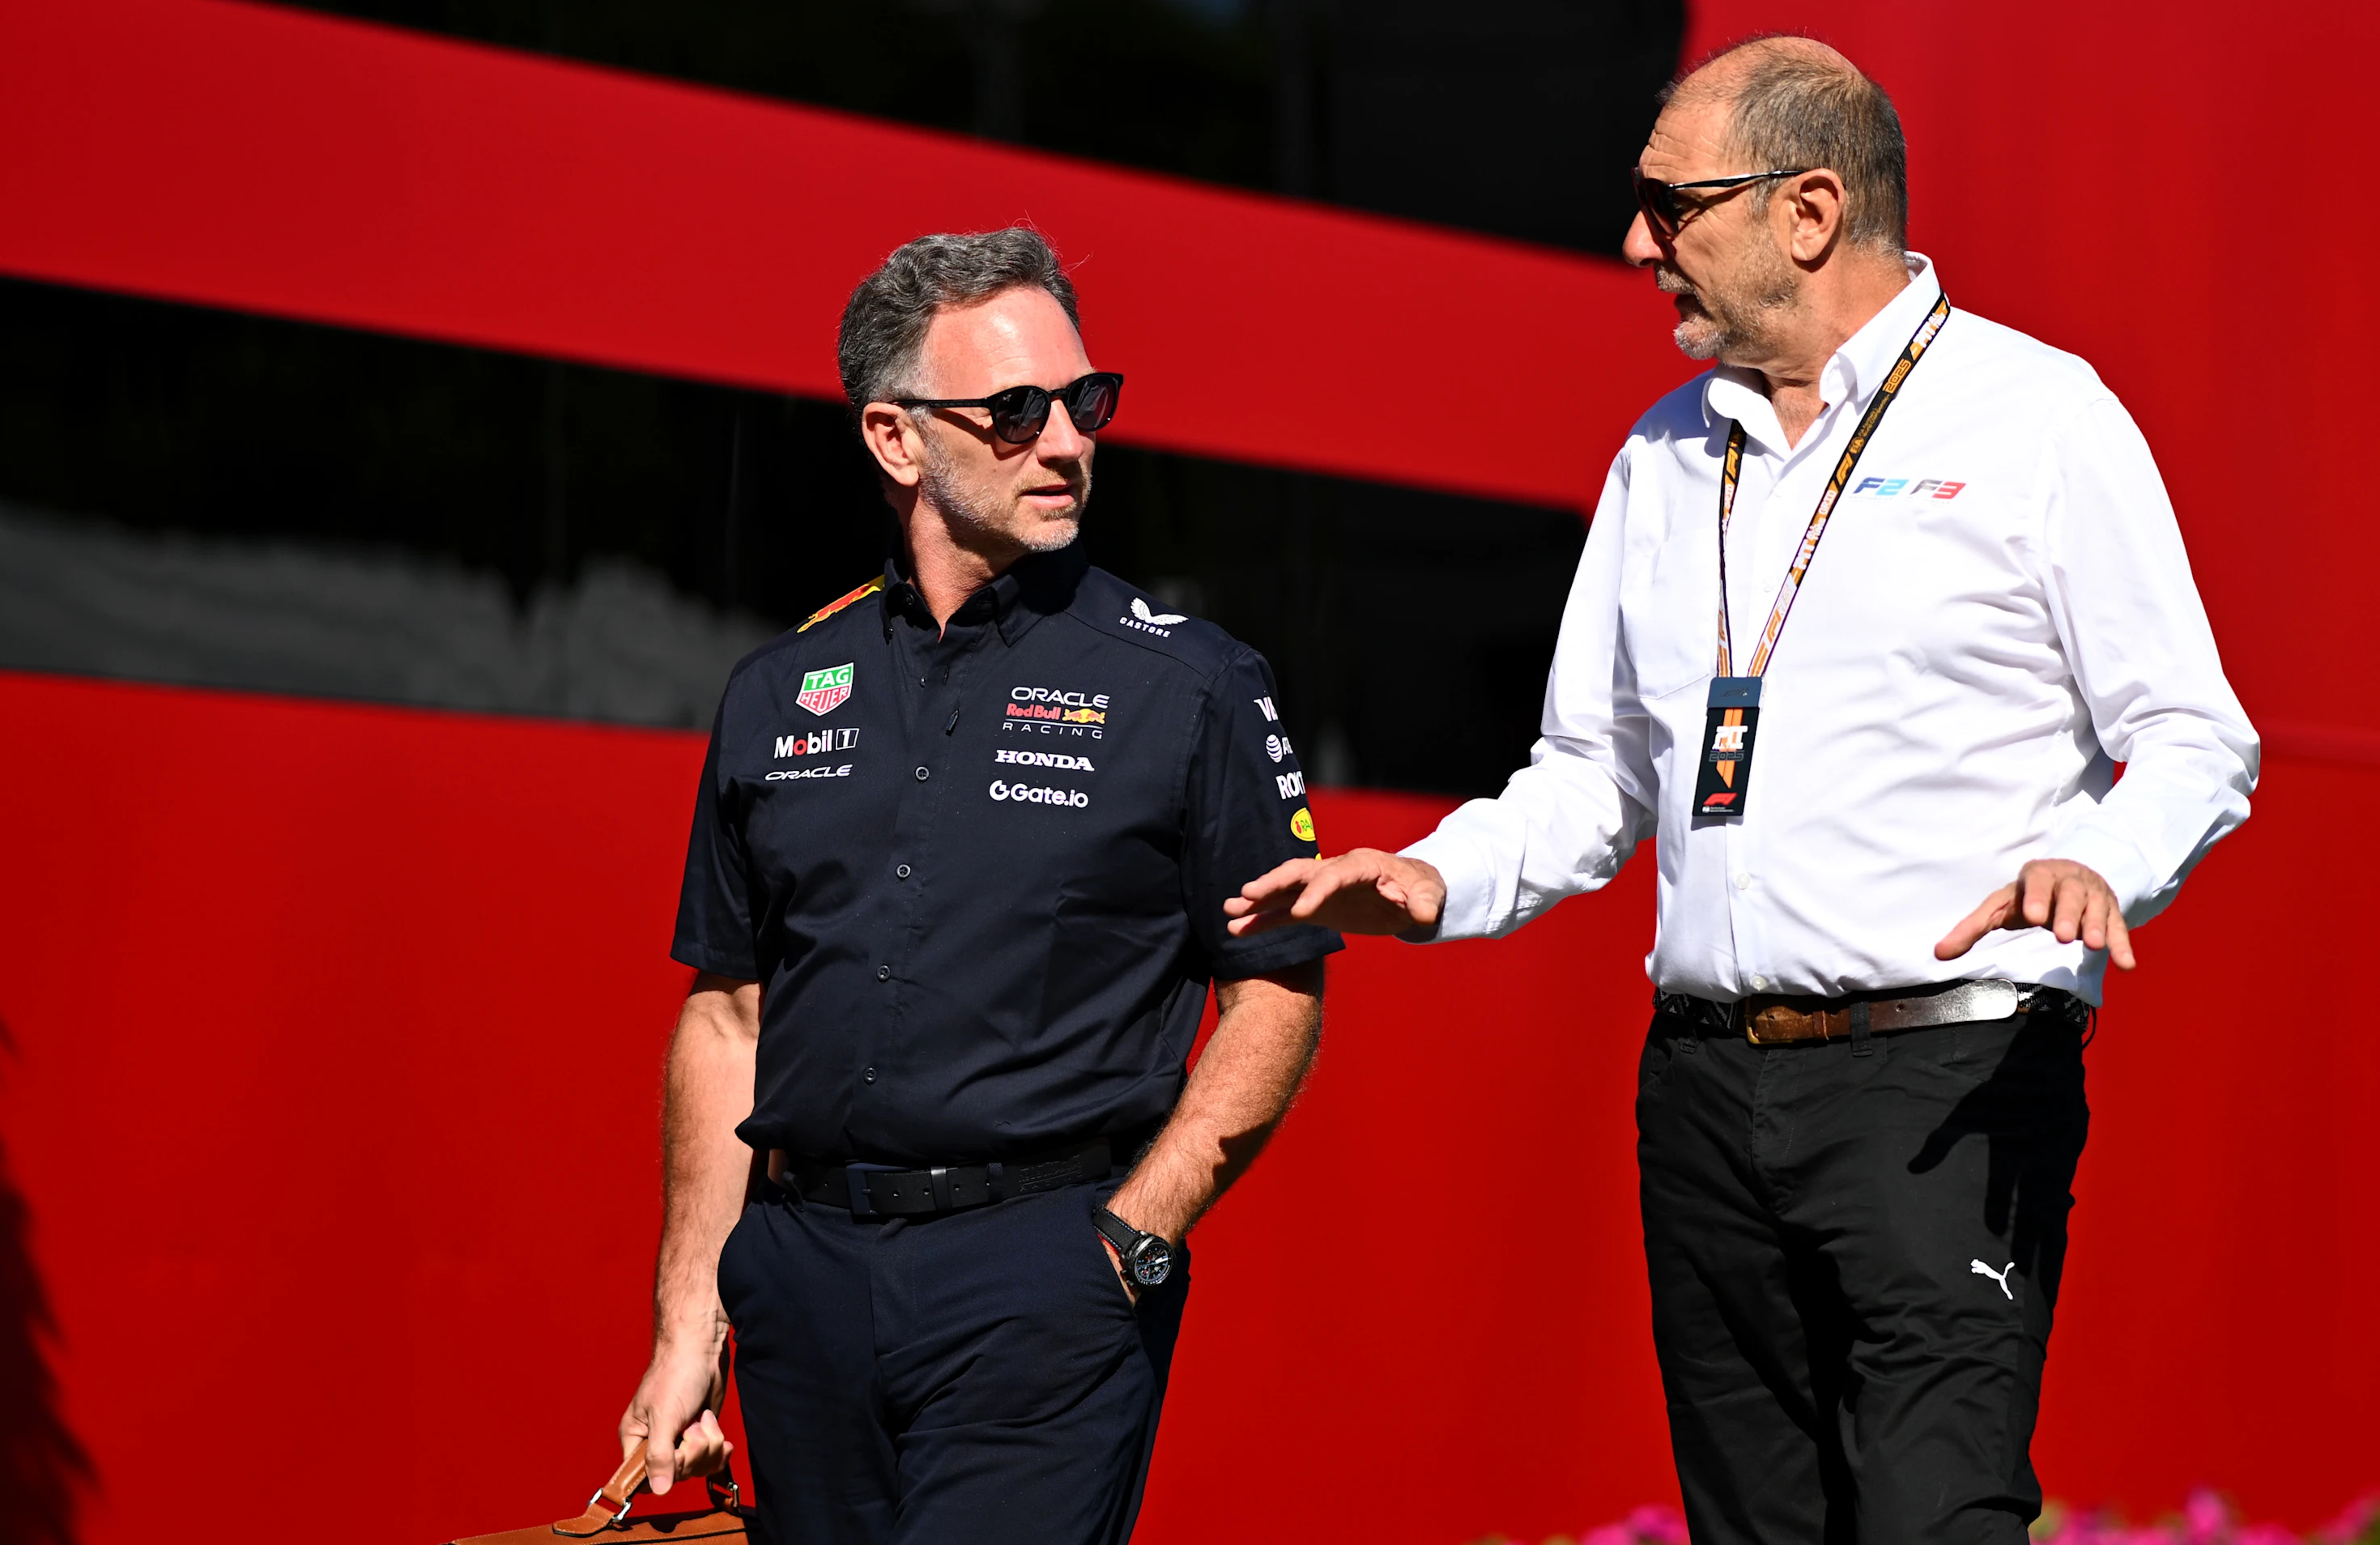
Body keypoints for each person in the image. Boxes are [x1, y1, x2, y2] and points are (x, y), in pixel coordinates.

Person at [1227, 36, 2257, 1545]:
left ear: (1809, 209)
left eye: (1672, 203)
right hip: (1705, 1088)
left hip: (1945, 1082)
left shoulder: (2039, 418)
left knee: (1933, 1518)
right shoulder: (1663, 454)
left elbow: (2193, 732)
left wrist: (2107, 857)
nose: (1637, 242)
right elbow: (1590, 773)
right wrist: (1440, 879)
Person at [615, 227, 1339, 1545]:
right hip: (800, 1276)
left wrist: (1136, 1231)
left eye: (1086, 401)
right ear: (896, 441)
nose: (1066, 441)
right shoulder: (779, 692)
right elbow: (728, 1018)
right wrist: (689, 1320)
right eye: (1013, 412)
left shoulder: (1192, 683)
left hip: (1046, 1275)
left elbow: (1278, 990)